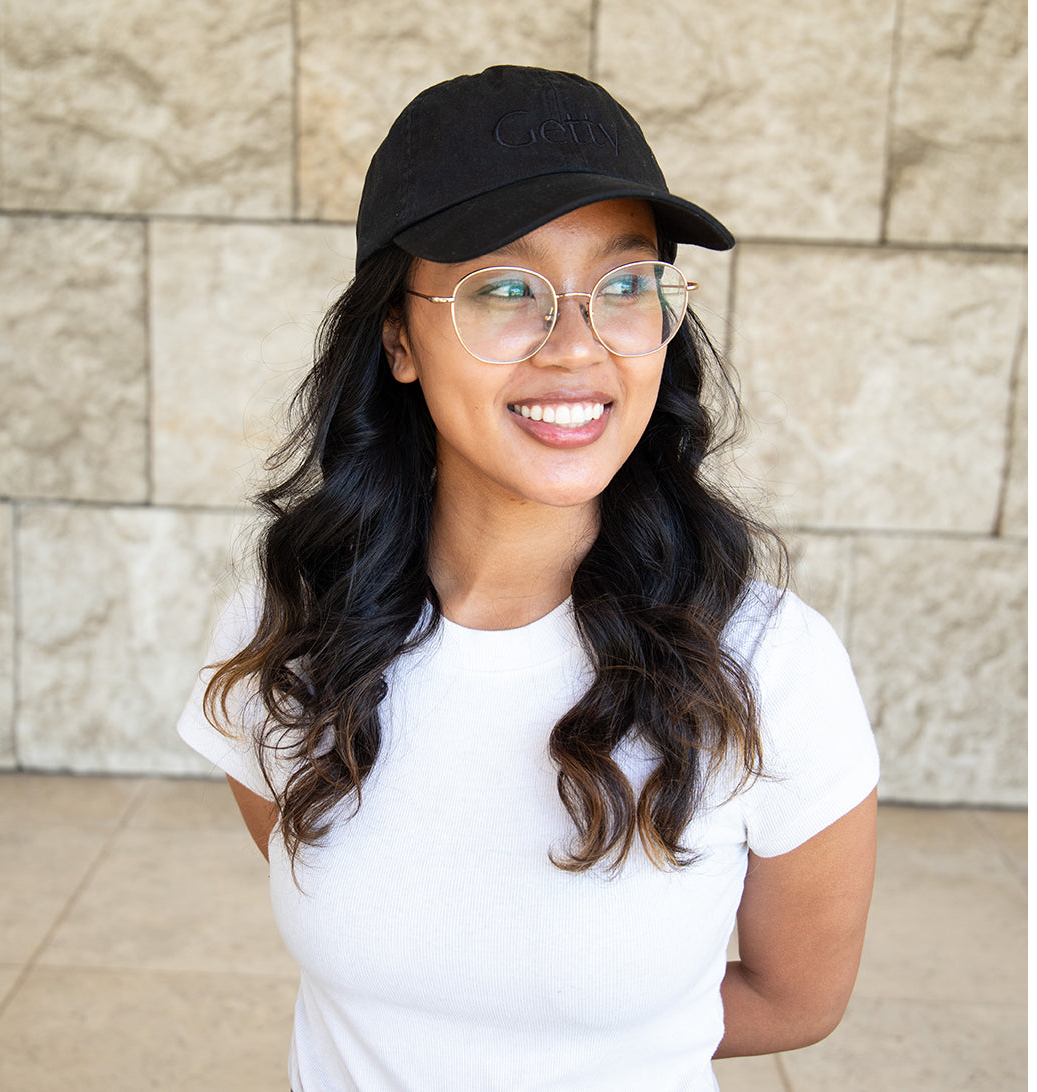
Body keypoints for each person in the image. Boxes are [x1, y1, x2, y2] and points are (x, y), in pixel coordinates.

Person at [177, 65, 879, 1091]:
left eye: (625, 285)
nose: (578, 347)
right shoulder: (287, 626)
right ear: (397, 337)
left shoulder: (770, 665)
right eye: (506, 289)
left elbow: (796, 998)